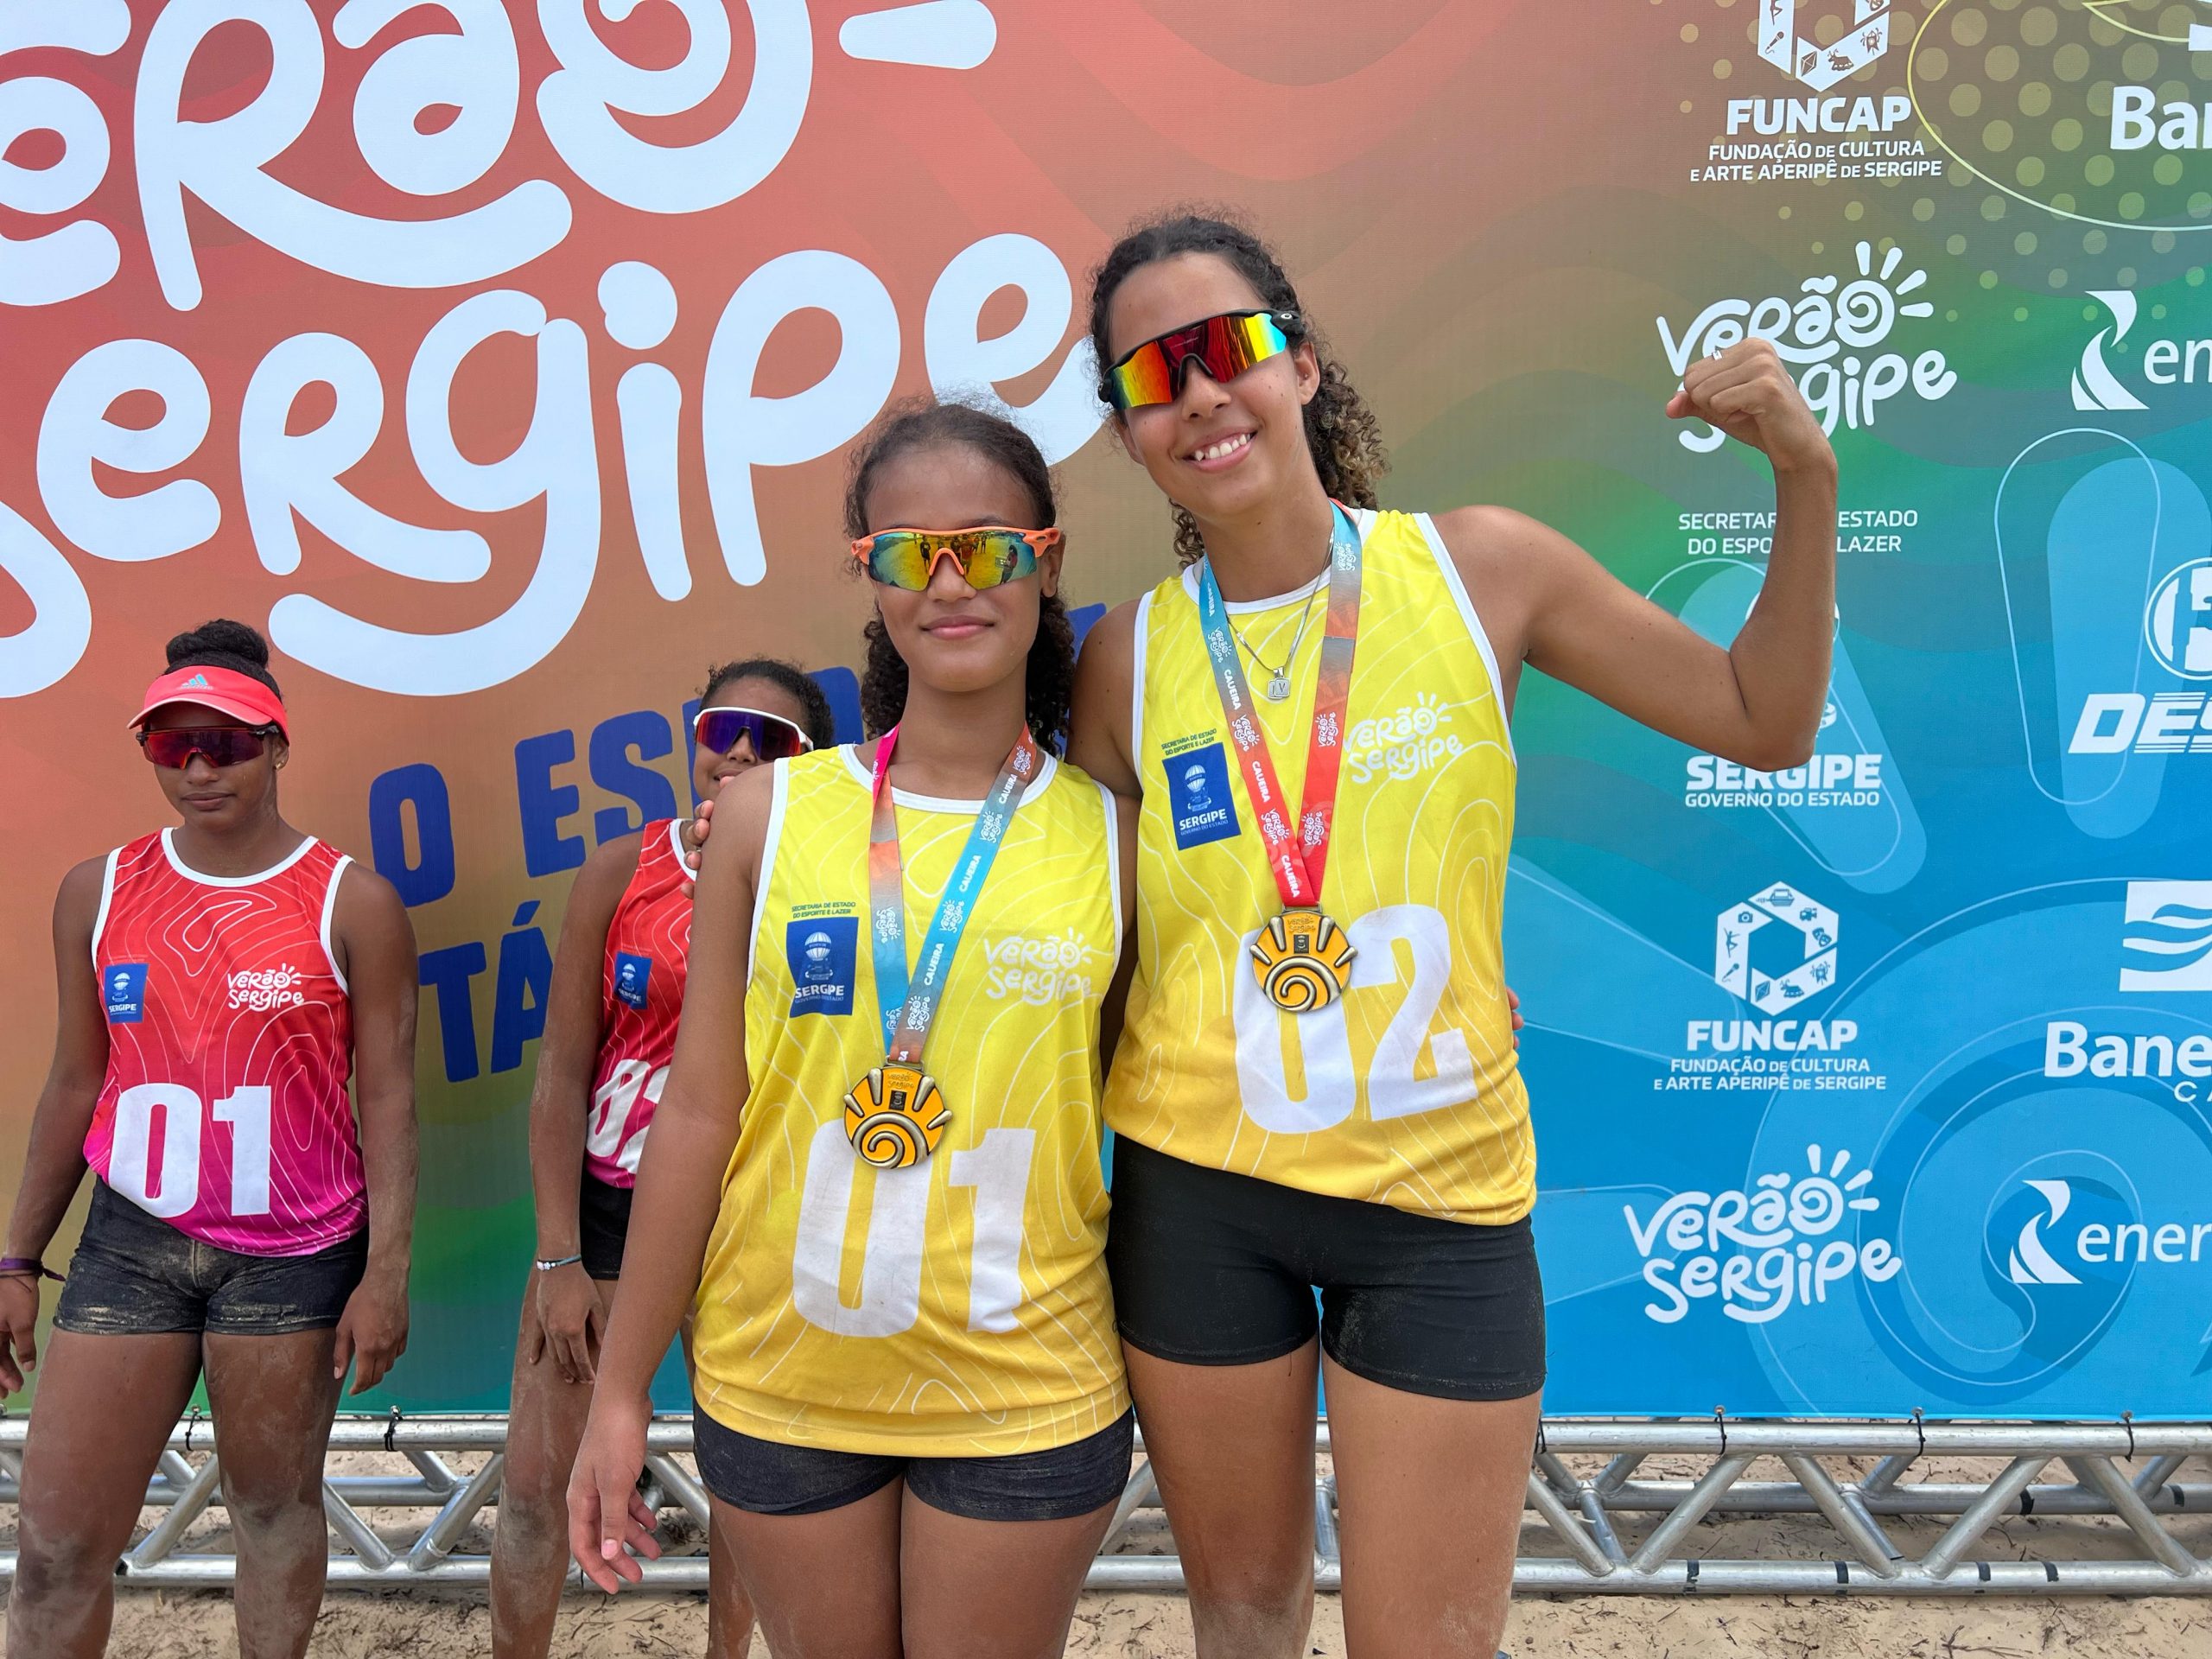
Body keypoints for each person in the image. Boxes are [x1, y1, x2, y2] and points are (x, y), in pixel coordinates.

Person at [1066, 214, 1838, 1658]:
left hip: (1439, 1203)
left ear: (1301, 363)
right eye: (1153, 375)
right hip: (1197, 1197)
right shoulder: (1123, 659)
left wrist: (1805, 475)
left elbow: (1766, 719)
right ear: (1126, 432)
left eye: (1228, 346)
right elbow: (1088, 958)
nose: (1201, 393)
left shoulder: (1482, 570)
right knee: (1242, 1620)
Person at [567, 401, 1136, 1658]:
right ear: (868, 577)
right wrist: (620, 1393)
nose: (950, 582)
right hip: (783, 1378)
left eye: (986, 547)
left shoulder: (1115, 839)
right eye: (908, 552)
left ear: (1045, 562)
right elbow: (698, 1114)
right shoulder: (766, 816)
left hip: (1026, 1384)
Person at [0, 620, 418, 1659]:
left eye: (224, 744)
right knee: (53, 1549)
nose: (197, 769)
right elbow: (74, 1081)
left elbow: (388, 1101)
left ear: (277, 746)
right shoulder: (98, 891)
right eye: (170, 745)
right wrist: (15, 1259)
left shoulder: (352, 902)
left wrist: (386, 1275)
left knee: (270, 1512)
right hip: (131, 1242)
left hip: (295, 1252)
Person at [489, 660, 836, 1656]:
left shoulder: (831, 878)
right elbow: (562, 1072)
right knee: (534, 1486)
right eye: (723, 729)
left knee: (750, 1493)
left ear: (812, 760)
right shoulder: (621, 869)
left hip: (753, 1218)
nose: (740, 752)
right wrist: (557, 1257)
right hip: (611, 1215)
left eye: (771, 740)